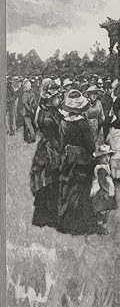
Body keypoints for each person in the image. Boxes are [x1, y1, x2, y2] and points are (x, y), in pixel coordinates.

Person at [57, 89, 104, 235]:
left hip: (69, 158)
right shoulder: (83, 124)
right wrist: (96, 155)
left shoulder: (64, 122)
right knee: (84, 190)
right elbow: (90, 145)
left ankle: (67, 220)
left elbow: (61, 143)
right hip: (83, 159)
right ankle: (83, 222)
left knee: (70, 189)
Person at [30, 80, 62, 228]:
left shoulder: (42, 110)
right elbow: (60, 132)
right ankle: (50, 216)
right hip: (52, 147)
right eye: (57, 97)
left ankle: (42, 216)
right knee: (52, 179)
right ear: (50, 99)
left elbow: (37, 125)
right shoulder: (53, 114)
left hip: (44, 145)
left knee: (42, 179)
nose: (59, 99)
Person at [90, 144, 117, 234]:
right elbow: (101, 181)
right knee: (102, 209)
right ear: (98, 158)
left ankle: (101, 225)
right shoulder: (100, 168)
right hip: (101, 191)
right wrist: (106, 191)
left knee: (105, 209)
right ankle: (99, 226)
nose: (107, 159)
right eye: (104, 157)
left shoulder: (105, 166)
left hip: (105, 190)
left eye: (108, 156)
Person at [21, 78, 36, 143]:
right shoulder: (24, 94)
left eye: (30, 86)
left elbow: (35, 101)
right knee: (27, 126)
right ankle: (29, 138)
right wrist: (30, 109)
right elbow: (24, 103)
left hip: (31, 112)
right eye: (28, 86)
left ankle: (29, 138)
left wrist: (33, 106)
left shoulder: (32, 93)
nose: (30, 87)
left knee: (29, 125)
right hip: (26, 112)